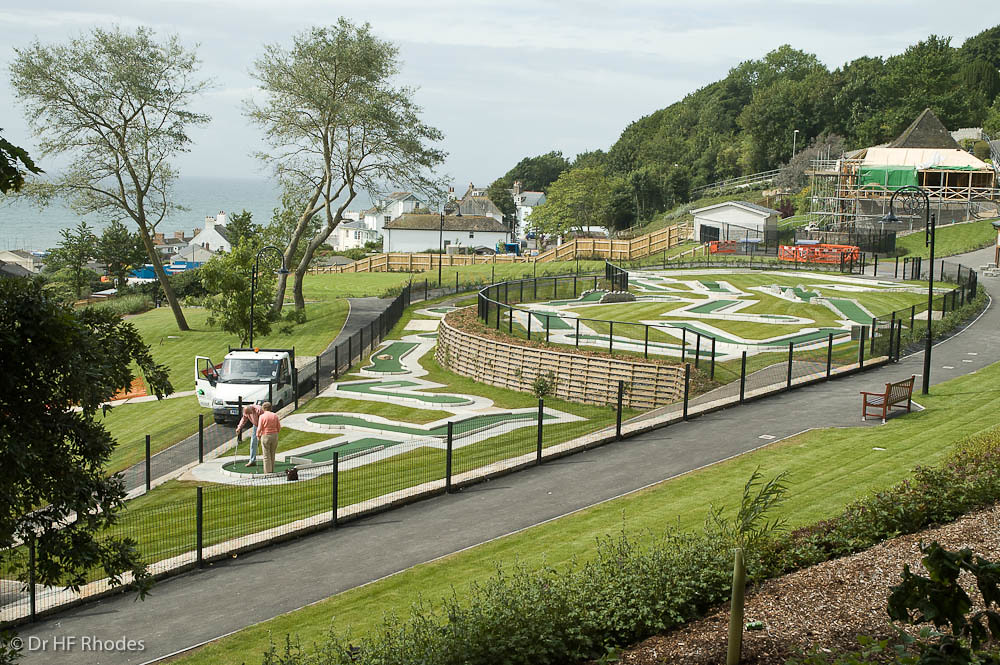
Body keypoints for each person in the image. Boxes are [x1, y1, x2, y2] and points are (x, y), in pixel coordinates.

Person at [235, 403, 264, 467]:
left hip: (264, 425)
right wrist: (239, 428)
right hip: (256, 426)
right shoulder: (246, 412)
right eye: (247, 414)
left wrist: (260, 431)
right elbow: (243, 419)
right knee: (253, 443)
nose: (248, 415)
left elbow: (264, 419)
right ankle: (252, 461)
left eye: (249, 413)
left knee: (265, 443)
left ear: (251, 409)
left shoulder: (259, 410)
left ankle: (267, 462)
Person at [257, 402, 282, 473]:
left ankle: (268, 472)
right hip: (274, 435)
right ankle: (272, 470)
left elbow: (259, 428)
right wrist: (276, 433)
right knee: (272, 454)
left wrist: (258, 435)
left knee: (266, 455)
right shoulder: (275, 415)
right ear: (271, 408)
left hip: (265, 436)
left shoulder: (262, 416)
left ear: (263, 408)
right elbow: (279, 427)